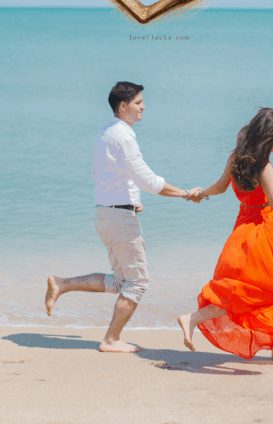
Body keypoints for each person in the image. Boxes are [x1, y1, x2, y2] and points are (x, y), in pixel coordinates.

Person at [45, 81, 203, 353]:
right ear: (123, 106)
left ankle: (62, 284)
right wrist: (186, 194)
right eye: (139, 102)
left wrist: (133, 201)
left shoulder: (106, 133)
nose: (143, 106)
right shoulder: (123, 136)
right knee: (138, 282)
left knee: (121, 281)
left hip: (107, 214)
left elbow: (108, 174)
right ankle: (110, 340)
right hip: (118, 219)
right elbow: (148, 180)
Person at [177, 108, 273, 360]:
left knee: (264, 287)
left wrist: (199, 193)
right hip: (262, 230)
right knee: (253, 291)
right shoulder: (264, 168)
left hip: (242, 228)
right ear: (269, 137)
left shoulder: (236, 158)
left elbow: (219, 187)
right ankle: (192, 318)